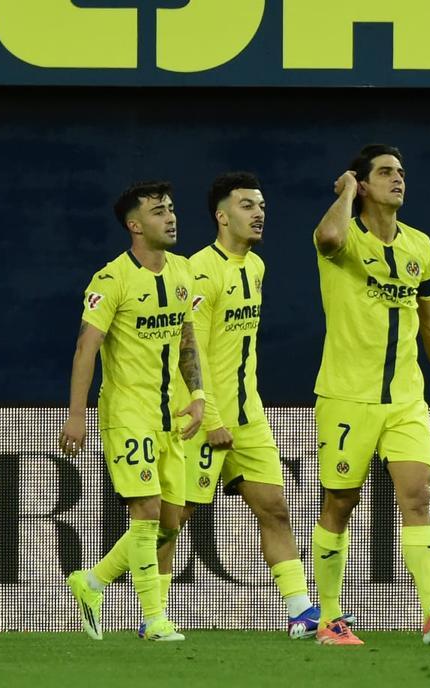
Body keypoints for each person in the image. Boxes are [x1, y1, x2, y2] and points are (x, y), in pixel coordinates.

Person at [310, 144, 430, 645]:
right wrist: (345, 192)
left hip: (405, 396)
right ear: (362, 184)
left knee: (417, 496)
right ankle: (329, 619)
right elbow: (329, 235)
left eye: (401, 171)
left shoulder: (419, 245)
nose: (398, 179)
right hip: (346, 396)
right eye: (384, 172)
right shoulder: (344, 237)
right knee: (340, 503)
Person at [150, 172, 320, 637]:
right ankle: (153, 614)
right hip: (203, 416)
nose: (259, 212)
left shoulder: (257, 267)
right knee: (173, 518)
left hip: (249, 415)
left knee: (275, 508)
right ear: (222, 217)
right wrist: (213, 419)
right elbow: (193, 347)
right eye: (247, 205)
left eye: (261, 204)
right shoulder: (200, 270)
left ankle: (302, 612)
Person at [59, 180, 204, 643]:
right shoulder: (111, 279)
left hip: (168, 416)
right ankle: (154, 618)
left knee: (172, 520)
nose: (172, 217)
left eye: (172, 209)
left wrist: (197, 395)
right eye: (160, 211)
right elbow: (86, 347)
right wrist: (77, 414)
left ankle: (93, 581)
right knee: (145, 511)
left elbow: (186, 340)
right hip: (126, 413)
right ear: (135, 225)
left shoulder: (182, 272)